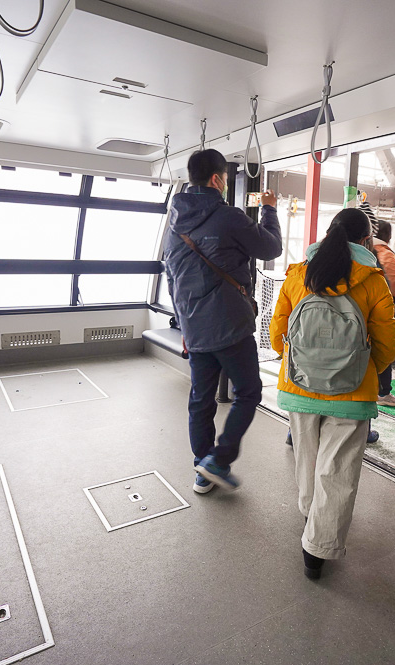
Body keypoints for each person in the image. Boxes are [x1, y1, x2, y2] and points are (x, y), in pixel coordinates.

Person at [269, 209, 395, 579]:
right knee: (337, 471)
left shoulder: (298, 274)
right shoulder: (374, 281)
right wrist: (361, 368)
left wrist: (302, 364)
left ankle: (310, 513)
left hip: (299, 386)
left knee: (306, 459)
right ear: (365, 240)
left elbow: (278, 333)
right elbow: (387, 345)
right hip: (352, 393)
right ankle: (317, 550)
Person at [163, 149, 282, 493]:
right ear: (217, 179)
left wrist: (185, 322)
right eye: (226, 178)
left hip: (195, 326)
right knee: (248, 392)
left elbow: (171, 276)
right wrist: (269, 209)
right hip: (230, 325)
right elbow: (271, 248)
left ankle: (202, 468)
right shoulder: (228, 217)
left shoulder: (173, 224)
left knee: (201, 400)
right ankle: (219, 459)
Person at [373, 219, 395, 408]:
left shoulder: (359, 252)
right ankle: (383, 392)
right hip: (384, 308)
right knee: (385, 346)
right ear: (387, 235)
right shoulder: (385, 254)